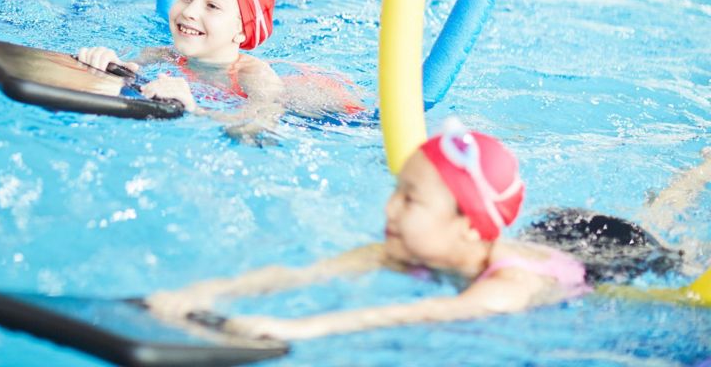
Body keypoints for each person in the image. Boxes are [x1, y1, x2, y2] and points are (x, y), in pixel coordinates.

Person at [146, 118, 705, 340]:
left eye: (409, 198)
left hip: (609, 260)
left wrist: (300, 329)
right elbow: (302, 272)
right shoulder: (404, 246)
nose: (390, 209)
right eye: (397, 190)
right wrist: (206, 293)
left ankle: (698, 171)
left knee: (662, 229)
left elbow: (412, 312)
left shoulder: (508, 290)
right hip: (545, 232)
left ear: (467, 226)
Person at [78, 0, 363, 139]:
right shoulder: (165, 55)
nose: (189, 12)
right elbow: (129, 66)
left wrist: (195, 110)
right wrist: (105, 62)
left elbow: (257, 129)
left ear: (241, 31)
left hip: (339, 110)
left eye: (212, 6)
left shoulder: (254, 76)